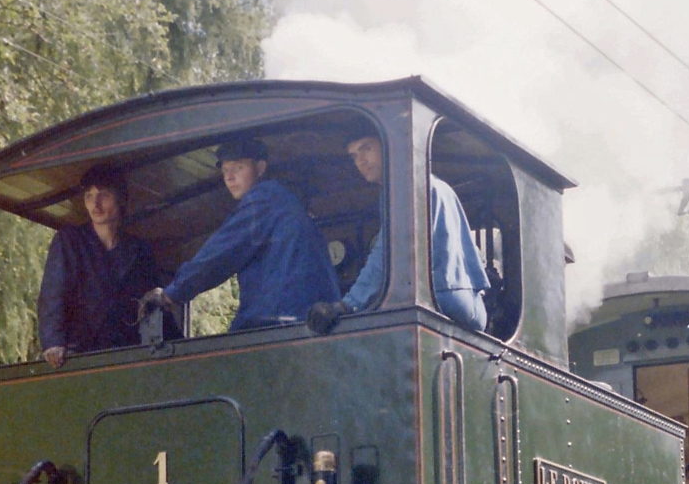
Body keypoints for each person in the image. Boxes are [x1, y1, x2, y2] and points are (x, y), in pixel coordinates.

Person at [144, 138, 340, 331]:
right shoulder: (281, 200)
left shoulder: (263, 199)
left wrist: (172, 293)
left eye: (238, 168)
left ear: (260, 168)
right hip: (310, 320)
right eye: (225, 170)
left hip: (284, 320)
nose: (229, 177)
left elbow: (220, 254)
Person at [307, 132, 491, 334]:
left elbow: (388, 252)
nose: (360, 161)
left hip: (443, 298)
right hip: (468, 301)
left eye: (366, 148)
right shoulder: (435, 184)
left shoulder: (407, 186)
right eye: (353, 156)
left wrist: (347, 305)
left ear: (388, 145)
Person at [37, 163, 170, 369]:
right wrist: (53, 342)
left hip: (127, 355)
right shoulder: (69, 241)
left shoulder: (140, 249)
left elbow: (154, 304)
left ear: (121, 199)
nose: (95, 204)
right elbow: (53, 293)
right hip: (79, 355)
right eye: (89, 196)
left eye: (104, 195)